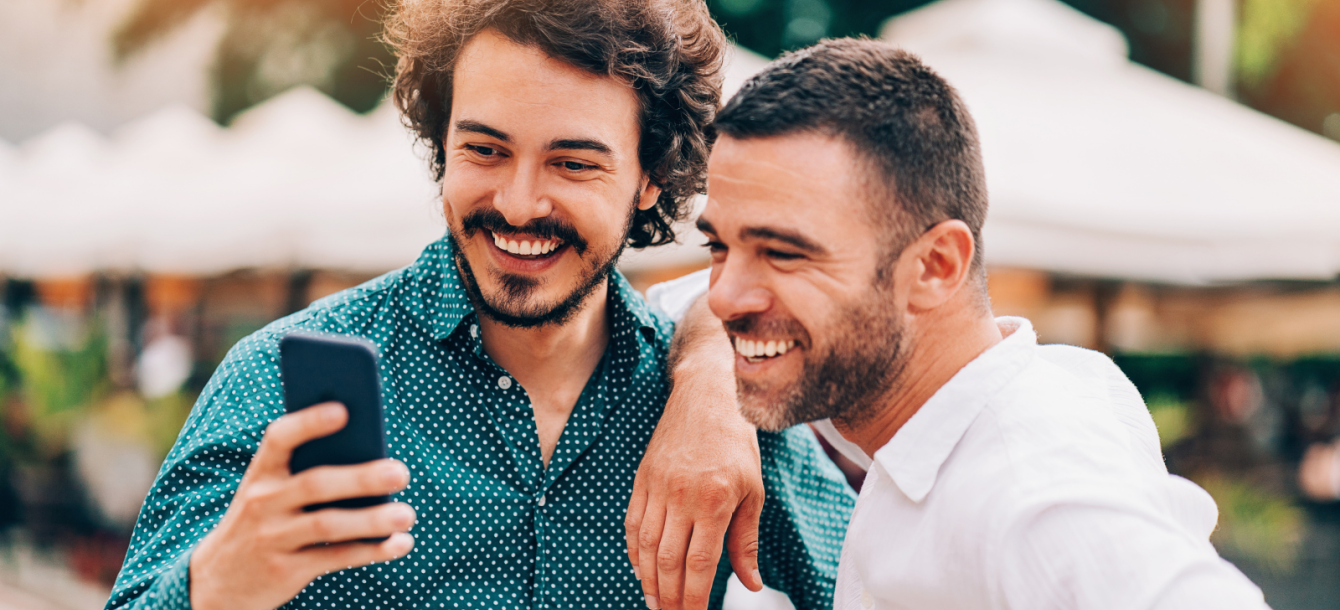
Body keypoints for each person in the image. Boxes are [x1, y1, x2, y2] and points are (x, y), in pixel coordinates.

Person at [103, 2, 853, 609]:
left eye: (573, 163)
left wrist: (709, 374)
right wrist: (220, 586)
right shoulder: (272, 381)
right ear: (442, 145)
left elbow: (882, 587)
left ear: (651, 177)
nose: (519, 204)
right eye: (485, 151)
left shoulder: (722, 415)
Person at [670, 38, 1272, 609]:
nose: (725, 295)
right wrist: (704, 380)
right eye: (720, 247)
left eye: (783, 253)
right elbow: (688, 300)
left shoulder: (1034, 495)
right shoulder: (982, 381)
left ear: (934, 266)